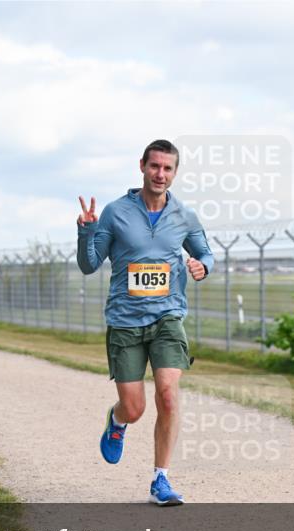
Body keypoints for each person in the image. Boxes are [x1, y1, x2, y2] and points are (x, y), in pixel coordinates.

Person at [77, 139, 214, 506]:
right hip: (125, 321)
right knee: (134, 408)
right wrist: (86, 232)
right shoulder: (116, 212)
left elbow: (205, 253)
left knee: (168, 394)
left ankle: (160, 479)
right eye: (155, 166)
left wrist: (203, 266)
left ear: (175, 172)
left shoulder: (184, 215)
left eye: (168, 168)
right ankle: (118, 421)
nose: (160, 174)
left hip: (168, 317)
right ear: (142, 166)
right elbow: (89, 265)